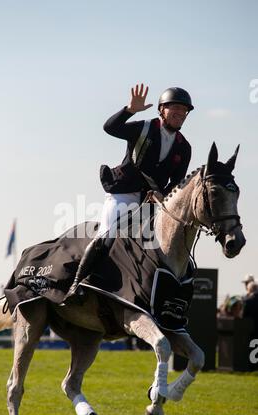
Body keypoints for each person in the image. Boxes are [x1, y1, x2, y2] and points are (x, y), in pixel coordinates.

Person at [65, 83, 194, 303]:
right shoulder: (143, 128)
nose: (181, 114)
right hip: (123, 194)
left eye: (184, 111)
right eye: (176, 108)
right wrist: (129, 110)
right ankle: (77, 284)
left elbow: (177, 183)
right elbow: (110, 128)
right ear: (162, 109)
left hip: (152, 203)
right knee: (107, 235)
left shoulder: (184, 147)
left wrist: (162, 197)